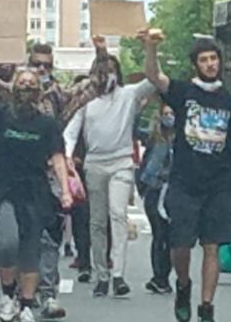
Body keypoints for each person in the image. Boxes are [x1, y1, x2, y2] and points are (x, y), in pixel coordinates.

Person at [0, 38, 109, 320]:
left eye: (46, 65)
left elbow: (97, 84)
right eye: (36, 64)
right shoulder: (8, 94)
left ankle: (45, 295)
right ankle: (14, 292)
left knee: (45, 239)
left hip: (47, 172)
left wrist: (102, 51)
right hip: (9, 170)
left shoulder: (60, 96)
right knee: (10, 237)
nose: (40, 70)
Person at [140, 29, 231, 322]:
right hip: (185, 182)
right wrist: (151, 47)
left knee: (212, 245)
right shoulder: (183, 92)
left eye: (214, 59)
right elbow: (153, 75)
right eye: (204, 60)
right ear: (195, 65)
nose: (210, 64)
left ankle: (206, 307)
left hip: (219, 184)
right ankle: (183, 285)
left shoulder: (230, 103)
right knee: (181, 245)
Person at [0, 67, 73, 322]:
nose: (26, 88)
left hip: (35, 193)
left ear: (38, 92)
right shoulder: (0, 115)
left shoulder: (48, 125)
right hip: (4, 191)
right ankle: (8, 296)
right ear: (14, 88)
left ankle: (27, 304)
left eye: (32, 85)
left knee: (31, 251)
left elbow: (57, 158)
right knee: (7, 245)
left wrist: (65, 191)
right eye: (22, 84)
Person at [63, 55, 157, 298]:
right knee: (97, 222)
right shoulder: (86, 101)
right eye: (102, 71)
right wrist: (66, 157)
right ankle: (101, 274)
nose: (108, 76)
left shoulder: (129, 95)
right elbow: (71, 131)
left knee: (118, 214)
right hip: (94, 164)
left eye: (112, 70)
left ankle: (118, 275)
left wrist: (150, 49)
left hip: (122, 162)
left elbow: (153, 79)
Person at [138, 102, 176, 295]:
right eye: (165, 113)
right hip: (155, 190)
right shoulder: (153, 137)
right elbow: (133, 127)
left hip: (173, 191)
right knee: (159, 234)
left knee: (170, 237)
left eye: (172, 113)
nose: (169, 117)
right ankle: (159, 277)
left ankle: (164, 276)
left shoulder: (183, 139)